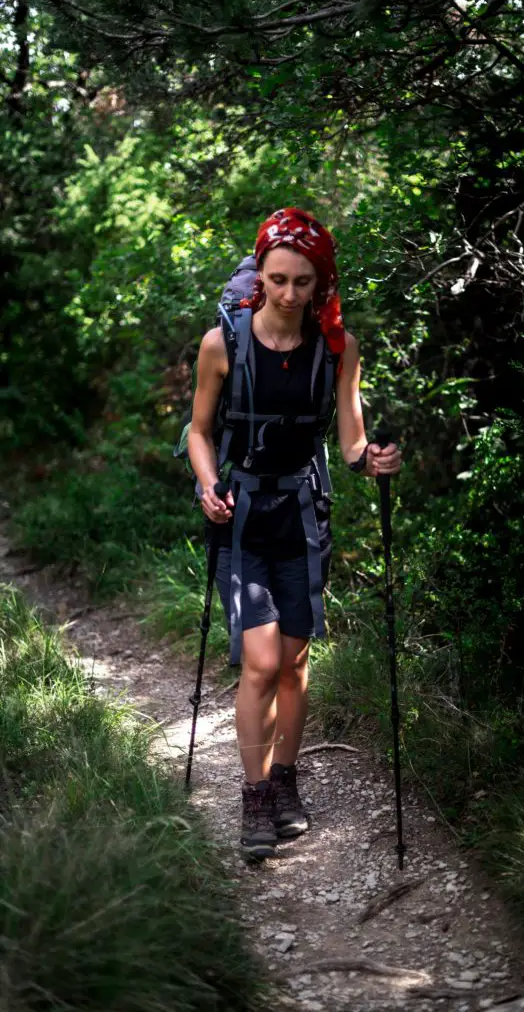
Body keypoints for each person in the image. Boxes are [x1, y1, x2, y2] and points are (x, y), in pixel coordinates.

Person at [188, 207, 401, 860]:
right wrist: (205, 485)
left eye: (302, 282)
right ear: (261, 276)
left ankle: (285, 783)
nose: (288, 294)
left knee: (296, 664)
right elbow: (199, 430)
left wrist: (373, 461)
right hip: (244, 514)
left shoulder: (337, 349)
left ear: (321, 282)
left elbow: (351, 439)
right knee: (260, 663)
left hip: (303, 517)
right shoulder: (222, 344)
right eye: (277, 279)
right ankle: (254, 796)